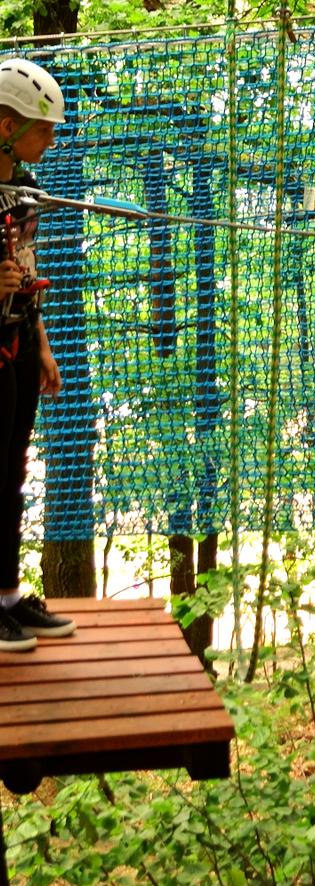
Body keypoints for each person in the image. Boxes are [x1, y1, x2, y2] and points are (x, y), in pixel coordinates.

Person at [0, 58, 76, 653]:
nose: (52, 139)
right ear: (6, 126)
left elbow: (27, 276)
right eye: (42, 128)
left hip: (20, 350)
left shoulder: (22, 195)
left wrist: (44, 346)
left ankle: (5, 599)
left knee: (12, 474)